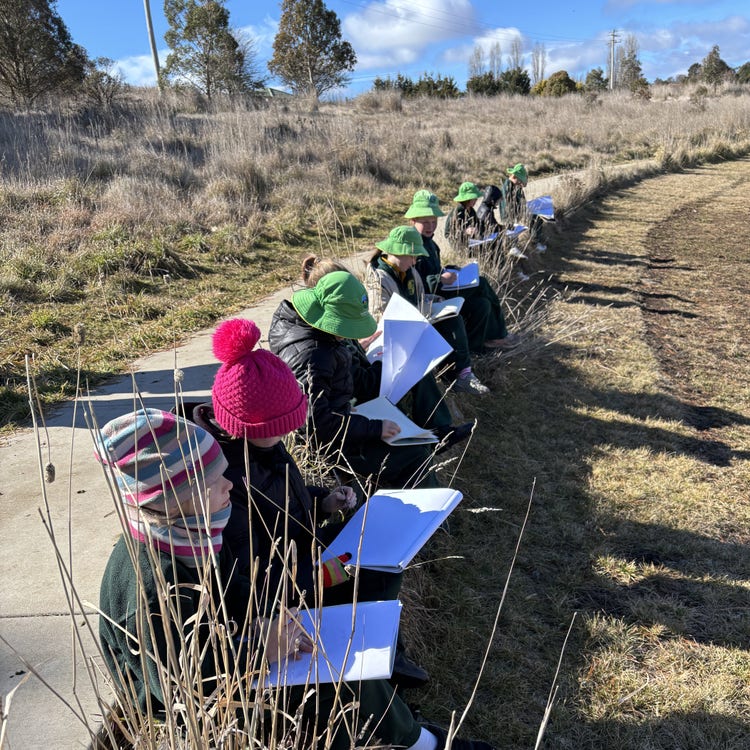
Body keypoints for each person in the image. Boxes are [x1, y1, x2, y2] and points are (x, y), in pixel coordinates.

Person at [95, 408, 495, 750]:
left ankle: (405, 733)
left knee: (337, 654)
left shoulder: (191, 532)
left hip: (245, 642)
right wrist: (255, 648)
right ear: (173, 498)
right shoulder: (150, 585)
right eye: (215, 482)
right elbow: (182, 683)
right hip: (201, 703)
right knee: (332, 683)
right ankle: (418, 741)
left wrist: (267, 618)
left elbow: (229, 599)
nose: (230, 485)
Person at [182, 316, 429, 686]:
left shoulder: (262, 445)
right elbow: (250, 575)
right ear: (251, 426)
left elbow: (285, 504)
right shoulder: (224, 483)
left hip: (305, 552)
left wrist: (322, 501)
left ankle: (389, 652)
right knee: (371, 571)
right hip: (285, 587)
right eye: (282, 426)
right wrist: (317, 577)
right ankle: (376, 669)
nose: (291, 432)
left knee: (379, 545)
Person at [268, 270, 440, 490]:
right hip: (330, 446)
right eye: (346, 325)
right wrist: (374, 428)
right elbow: (315, 424)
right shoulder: (313, 355)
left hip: (340, 421)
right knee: (415, 454)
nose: (348, 334)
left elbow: (317, 402)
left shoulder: (297, 327)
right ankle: (424, 518)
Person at [303, 254, 475, 449]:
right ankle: (430, 437)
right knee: (412, 365)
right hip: (356, 396)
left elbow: (352, 362)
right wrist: (386, 364)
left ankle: (440, 431)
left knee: (416, 368)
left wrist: (363, 347)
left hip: (363, 378)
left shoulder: (337, 321)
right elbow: (359, 382)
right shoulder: (327, 336)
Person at [406, 190, 521, 354]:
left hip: (444, 289)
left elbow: (434, 270)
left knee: (483, 304)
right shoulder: (411, 246)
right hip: (431, 298)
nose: (431, 226)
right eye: (425, 222)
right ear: (413, 220)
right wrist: (439, 279)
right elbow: (413, 283)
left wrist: (449, 269)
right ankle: (499, 335)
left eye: (434, 221)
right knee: (482, 283)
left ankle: (477, 347)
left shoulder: (431, 244)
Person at [499, 163, 546, 251]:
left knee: (537, 216)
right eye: (520, 180)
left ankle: (536, 242)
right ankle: (535, 244)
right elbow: (508, 207)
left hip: (519, 211)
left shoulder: (516, 186)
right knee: (534, 218)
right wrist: (522, 213)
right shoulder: (507, 187)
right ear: (514, 177)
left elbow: (523, 200)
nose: (521, 183)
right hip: (510, 215)